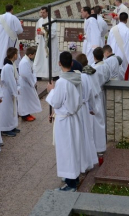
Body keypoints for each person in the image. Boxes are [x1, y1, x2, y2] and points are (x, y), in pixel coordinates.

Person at [46, 51, 84, 192]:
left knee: (66, 151)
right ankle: (73, 177)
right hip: (73, 117)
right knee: (72, 149)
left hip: (65, 120)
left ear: (59, 63)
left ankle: (71, 184)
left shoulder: (62, 81)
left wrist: (51, 90)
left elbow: (56, 102)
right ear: (72, 63)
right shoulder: (77, 77)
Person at [90, 47, 111, 153]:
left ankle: (98, 145)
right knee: (102, 117)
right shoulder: (106, 65)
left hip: (96, 94)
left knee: (98, 120)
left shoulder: (94, 69)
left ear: (94, 56)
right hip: (102, 92)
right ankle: (102, 140)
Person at [108, 12, 129, 81]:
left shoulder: (112, 29)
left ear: (119, 18)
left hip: (113, 53)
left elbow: (109, 42)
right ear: (127, 19)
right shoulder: (128, 31)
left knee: (114, 72)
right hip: (123, 55)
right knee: (123, 71)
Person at [33, 6, 61, 79]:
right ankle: (39, 74)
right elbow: (37, 31)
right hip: (42, 43)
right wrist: (37, 40)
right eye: (41, 12)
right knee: (41, 58)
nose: (42, 14)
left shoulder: (52, 21)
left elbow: (53, 33)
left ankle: (54, 74)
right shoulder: (39, 21)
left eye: (44, 12)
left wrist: (44, 33)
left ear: (47, 13)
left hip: (50, 43)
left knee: (52, 58)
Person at [0, 47, 20, 137]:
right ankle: (5, 128)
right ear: (14, 55)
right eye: (17, 54)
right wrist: (14, 91)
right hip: (7, 92)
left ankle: (12, 126)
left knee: (12, 110)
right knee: (7, 110)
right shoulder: (7, 67)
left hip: (11, 90)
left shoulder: (12, 65)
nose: (18, 55)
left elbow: (15, 79)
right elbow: (9, 81)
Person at [0, 4, 24, 70]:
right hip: (10, 39)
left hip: (1, 39)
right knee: (10, 51)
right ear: (12, 9)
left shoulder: (0, 17)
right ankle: (13, 66)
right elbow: (19, 30)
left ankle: (0, 66)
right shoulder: (13, 17)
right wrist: (21, 25)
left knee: (2, 52)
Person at [18, 46, 42, 121]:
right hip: (25, 83)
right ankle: (24, 115)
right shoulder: (24, 62)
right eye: (34, 55)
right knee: (24, 100)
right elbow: (25, 74)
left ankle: (27, 113)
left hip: (27, 83)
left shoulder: (27, 60)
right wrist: (33, 82)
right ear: (30, 55)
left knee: (28, 99)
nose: (34, 56)